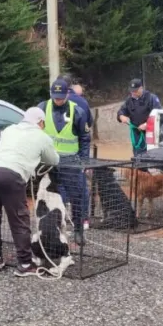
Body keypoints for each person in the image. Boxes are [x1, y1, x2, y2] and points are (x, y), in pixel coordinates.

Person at [0, 107, 59, 277]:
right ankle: (24, 263)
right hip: (11, 175)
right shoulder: (42, 136)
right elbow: (53, 159)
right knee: (19, 220)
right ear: (40, 121)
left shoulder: (9, 129)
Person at [38, 78, 89, 245]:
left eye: (61, 96)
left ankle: (78, 231)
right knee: (49, 195)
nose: (58, 100)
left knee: (77, 196)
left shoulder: (78, 111)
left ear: (67, 94)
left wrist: (83, 162)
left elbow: (84, 138)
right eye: (55, 96)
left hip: (71, 162)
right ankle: (50, 229)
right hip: (48, 162)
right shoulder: (42, 108)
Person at [67, 79, 93, 229]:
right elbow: (88, 126)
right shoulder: (83, 103)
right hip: (78, 153)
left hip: (59, 156)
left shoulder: (49, 104)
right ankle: (83, 219)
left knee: (61, 186)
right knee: (80, 184)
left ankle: (62, 217)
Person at [117, 78, 162, 157]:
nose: (133, 93)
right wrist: (121, 116)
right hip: (136, 133)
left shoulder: (151, 98)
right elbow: (122, 111)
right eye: (131, 91)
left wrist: (146, 125)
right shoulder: (129, 100)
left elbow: (159, 115)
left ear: (141, 88)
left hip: (150, 132)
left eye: (135, 91)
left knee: (150, 154)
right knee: (137, 154)